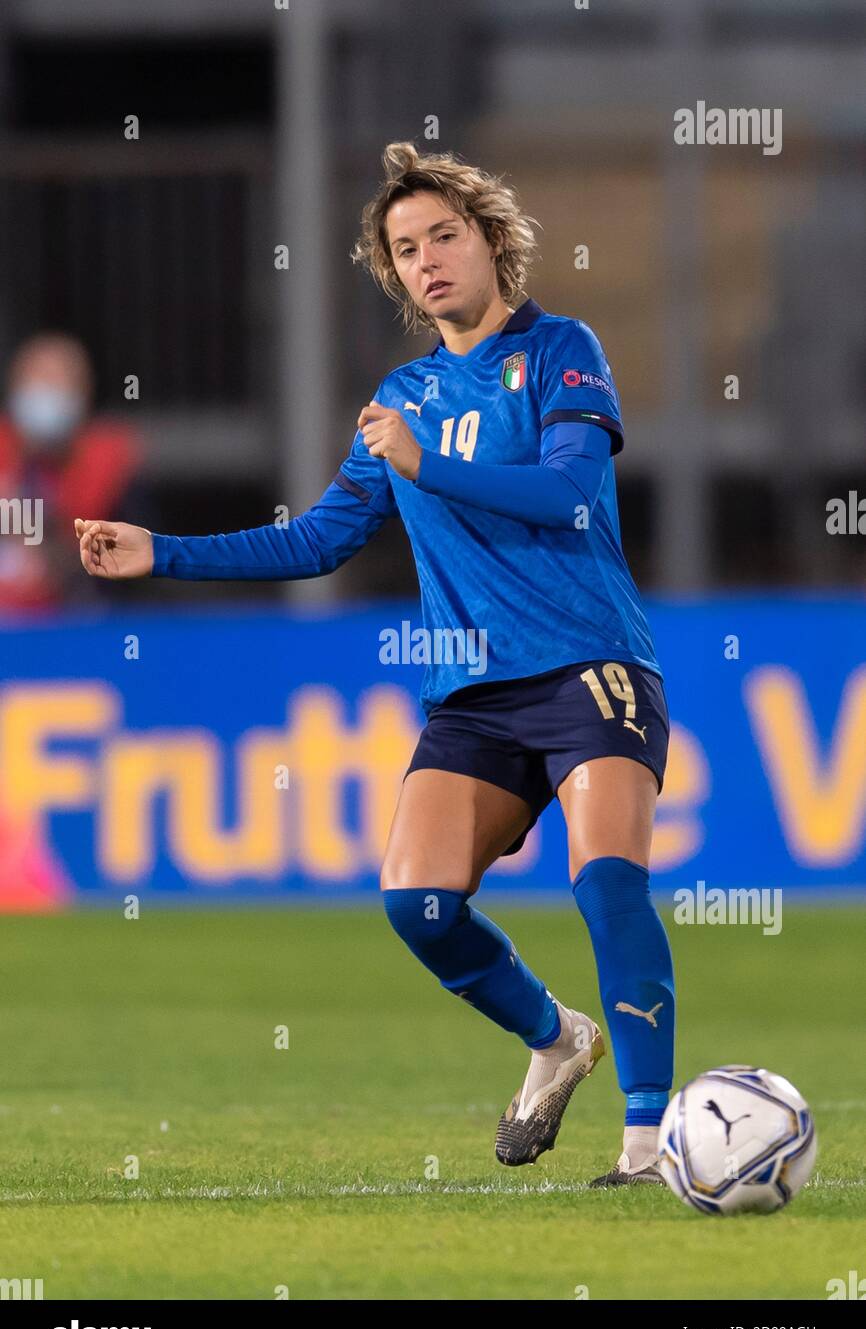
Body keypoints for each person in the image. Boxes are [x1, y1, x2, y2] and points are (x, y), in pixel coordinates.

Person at [74, 141, 674, 1187]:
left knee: (605, 885)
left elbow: (570, 495)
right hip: (473, 699)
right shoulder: (401, 395)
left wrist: (425, 460)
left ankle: (647, 1139)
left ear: (492, 241)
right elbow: (315, 541)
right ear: (392, 273)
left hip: (590, 663)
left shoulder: (558, 350)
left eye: (445, 234)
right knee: (416, 905)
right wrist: (159, 551)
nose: (428, 259)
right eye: (405, 248)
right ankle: (554, 1037)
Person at [0, 333, 138, 611]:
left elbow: (85, 539)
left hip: (76, 619)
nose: (45, 390)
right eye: (36, 379)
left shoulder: (108, 452)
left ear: (83, 393)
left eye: (58, 380)